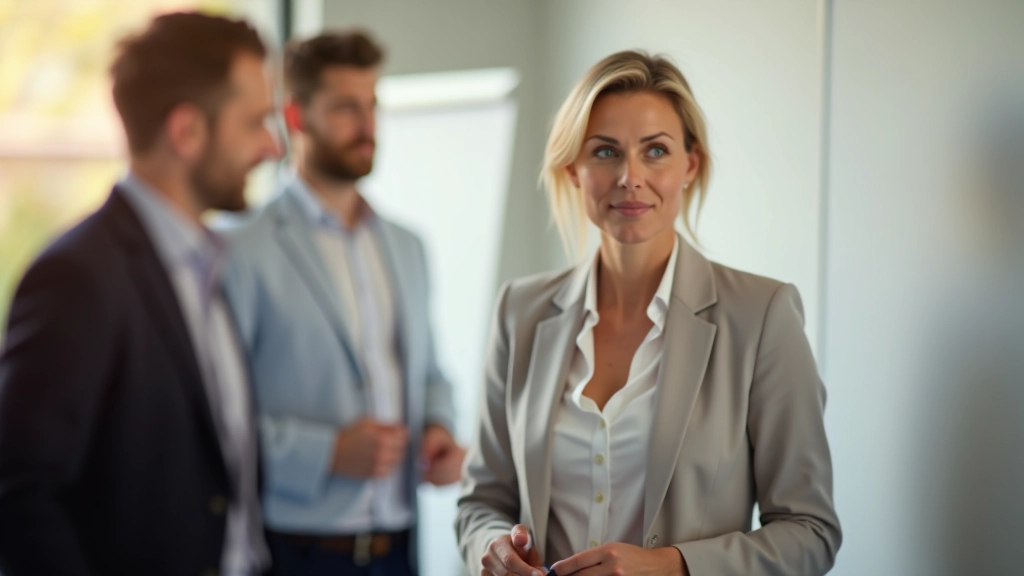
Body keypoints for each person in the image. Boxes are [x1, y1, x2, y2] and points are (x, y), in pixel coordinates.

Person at [456, 50, 841, 576]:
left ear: (690, 165)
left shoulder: (762, 316)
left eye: (655, 150)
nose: (630, 177)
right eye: (606, 152)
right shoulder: (518, 311)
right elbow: (481, 502)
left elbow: (810, 532)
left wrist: (673, 567)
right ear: (574, 169)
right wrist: (494, 547)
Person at [0, 12, 279, 576]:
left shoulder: (212, 263)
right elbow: (19, 493)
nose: (271, 146)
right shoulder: (77, 277)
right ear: (187, 132)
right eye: (254, 123)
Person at [218, 30, 463, 576]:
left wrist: (439, 427)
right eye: (346, 108)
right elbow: (215, 421)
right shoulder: (239, 246)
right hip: (292, 550)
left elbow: (429, 373)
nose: (369, 126)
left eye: (373, 105)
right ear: (296, 116)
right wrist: (325, 452)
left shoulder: (407, 245)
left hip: (400, 546)